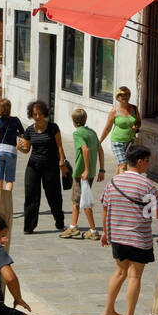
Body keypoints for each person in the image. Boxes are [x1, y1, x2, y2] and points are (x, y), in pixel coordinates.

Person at [101, 143, 158, 315]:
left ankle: (108, 310)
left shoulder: (114, 182)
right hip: (138, 238)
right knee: (134, 276)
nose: (148, 164)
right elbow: (157, 213)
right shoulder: (147, 185)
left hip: (118, 236)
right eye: (147, 161)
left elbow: (105, 206)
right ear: (140, 161)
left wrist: (105, 232)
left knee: (120, 272)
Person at [16, 100, 69, 234]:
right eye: (35, 114)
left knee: (54, 195)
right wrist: (19, 148)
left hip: (51, 166)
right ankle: (29, 227)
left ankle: (59, 222)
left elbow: (60, 147)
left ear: (44, 113)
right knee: (31, 195)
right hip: (33, 166)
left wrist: (62, 162)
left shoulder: (53, 127)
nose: (38, 116)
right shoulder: (29, 130)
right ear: (31, 115)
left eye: (40, 114)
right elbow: (27, 149)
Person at [60, 106, 105, 240]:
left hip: (81, 173)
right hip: (90, 173)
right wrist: (101, 169)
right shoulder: (92, 132)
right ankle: (74, 226)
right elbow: (100, 150)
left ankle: (89, 230)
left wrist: (85, 169)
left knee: (79, 202)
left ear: (74, 121)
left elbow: (84, 150)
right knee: (81, 201)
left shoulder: (77, 133)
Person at [99, 86, 140, 173]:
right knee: (123, 165)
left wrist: (136, 126)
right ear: (118, 97)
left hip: (130, 142)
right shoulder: (114, 111)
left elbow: (139, 122)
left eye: (127, 94)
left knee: (121, 165)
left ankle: (116, 183)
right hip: (117, 142)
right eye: (122, 95)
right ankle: (122, 186)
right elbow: (107, 128)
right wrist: (99, 142)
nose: (125, 97)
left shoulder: (134, 109)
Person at [0, 98, 25, 191]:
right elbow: (23, 134)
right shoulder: (16, 120)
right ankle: (7, 200)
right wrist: (15, 133)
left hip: (0, 150)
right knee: (9, 180)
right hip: (12, 151)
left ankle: (0, 202)